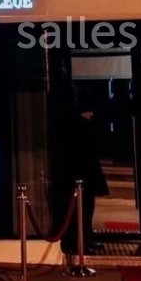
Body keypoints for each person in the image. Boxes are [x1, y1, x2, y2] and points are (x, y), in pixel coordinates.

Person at [61, 106, 109, 254]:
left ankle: (86, 240)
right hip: (84, 177)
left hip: (82, 176)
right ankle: (83, 242)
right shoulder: (82, 127)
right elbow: (90, 153)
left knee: (85, 211)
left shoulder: (76, 126)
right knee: (85, 211)